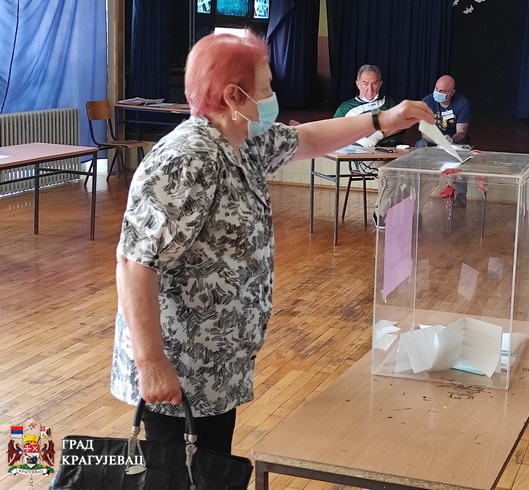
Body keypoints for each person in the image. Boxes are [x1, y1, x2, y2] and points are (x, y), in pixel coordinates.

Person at [111, 33, 433, 453]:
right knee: (181, 473)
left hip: (217, 360)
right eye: (265, 89)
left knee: (212, 468)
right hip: (181, 365)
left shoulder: (241, 141)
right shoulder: (187, 158)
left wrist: (382, 121)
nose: (271, 98)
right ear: (234, 95)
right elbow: (135, 262)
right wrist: (151, 362)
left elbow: (308, 139)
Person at [416, 75, 472, 206]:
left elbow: (461, 132)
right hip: (432, 139)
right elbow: (424, 133)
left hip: (454, 141)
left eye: (443, 91)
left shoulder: (462, 103)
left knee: (464, 152)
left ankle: (460, 195)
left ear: (452, 93)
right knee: (420, 145)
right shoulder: (426, 102)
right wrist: (439, 141)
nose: (438, 93)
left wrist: (450, 140)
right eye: (437, 89)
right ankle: (419, 189)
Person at [333, 64, 403, 147]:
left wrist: (379, 134)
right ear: (358, 84)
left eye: (374, 84)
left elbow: (401, 123)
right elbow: (334, 132)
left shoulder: (388, 102)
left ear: (380, 84)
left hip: (392, 148)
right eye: (365, 84)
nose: (370, 89)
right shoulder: (345, 108)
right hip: (360, 151)